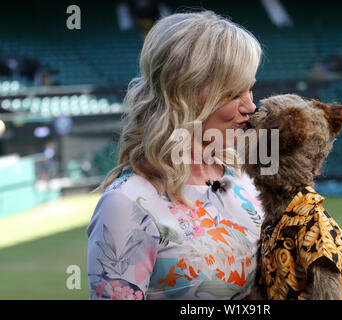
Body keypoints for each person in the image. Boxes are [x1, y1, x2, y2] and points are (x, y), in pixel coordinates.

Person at [87, 10, 265, 300]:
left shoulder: (244, 177)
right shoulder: (125, 204)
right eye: (234, 94)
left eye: (250, 90)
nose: (251, 107)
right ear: (184, 94)